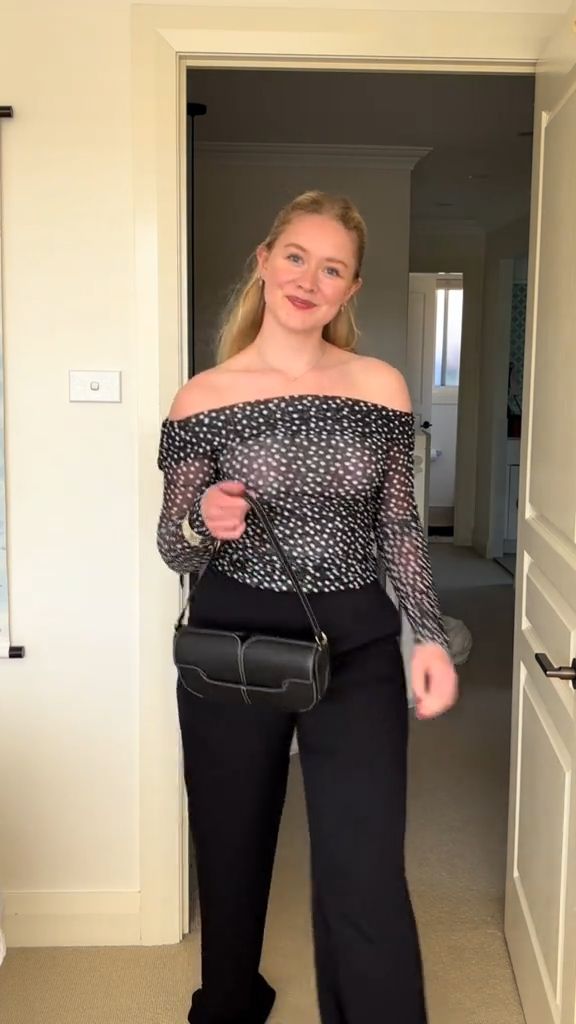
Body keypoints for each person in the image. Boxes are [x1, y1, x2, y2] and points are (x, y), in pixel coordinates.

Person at [157, 190, 458, 1024]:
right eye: (296, 256)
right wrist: (204, 519)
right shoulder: (203, 396)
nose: (307, 279)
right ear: (264, 260)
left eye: (332, 269)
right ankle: (229, 1002)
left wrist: (429, 637)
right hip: (233, 642)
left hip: (356, 642)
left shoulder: (380, 386)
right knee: (231, 843)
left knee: (366, 862)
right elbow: (174, 548)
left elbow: (398, 525)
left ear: (350, 289)